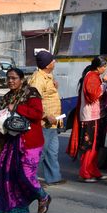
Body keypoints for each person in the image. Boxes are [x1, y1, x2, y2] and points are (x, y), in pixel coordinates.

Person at [0, 68, 51, 213]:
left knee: (25, 174)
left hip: (30, 142)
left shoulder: (31, 93)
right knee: (6, 176)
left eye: (14, 78)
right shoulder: (7, 97)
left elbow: (37, 113)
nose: (10, 81)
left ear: (21, 79)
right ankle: (16, 211)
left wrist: (16, 108)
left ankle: (43, 196)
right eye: (8, 78)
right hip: (11, 143)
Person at [66, 56, 107, 183]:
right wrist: (105, 84)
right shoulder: (92, 77)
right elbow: (93, 94)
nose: (105, 69)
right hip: (90, 116)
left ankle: (93, 171)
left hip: (94, 115)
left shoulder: (92, 75)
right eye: (104, 66)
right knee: (88, 146)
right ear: (98, 67)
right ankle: (84, 173)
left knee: (95, 145)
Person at [28, 50, 66, 186]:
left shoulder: (47, 76)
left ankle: (54, 177)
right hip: (44, 122)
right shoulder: (38, 79)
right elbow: (33, 100)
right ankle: (30, 179)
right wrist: (45, 115)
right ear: (47, 64)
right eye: (52, 61)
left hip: (53, 122)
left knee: (52, 152)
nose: (54, 62)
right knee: (40, 153)